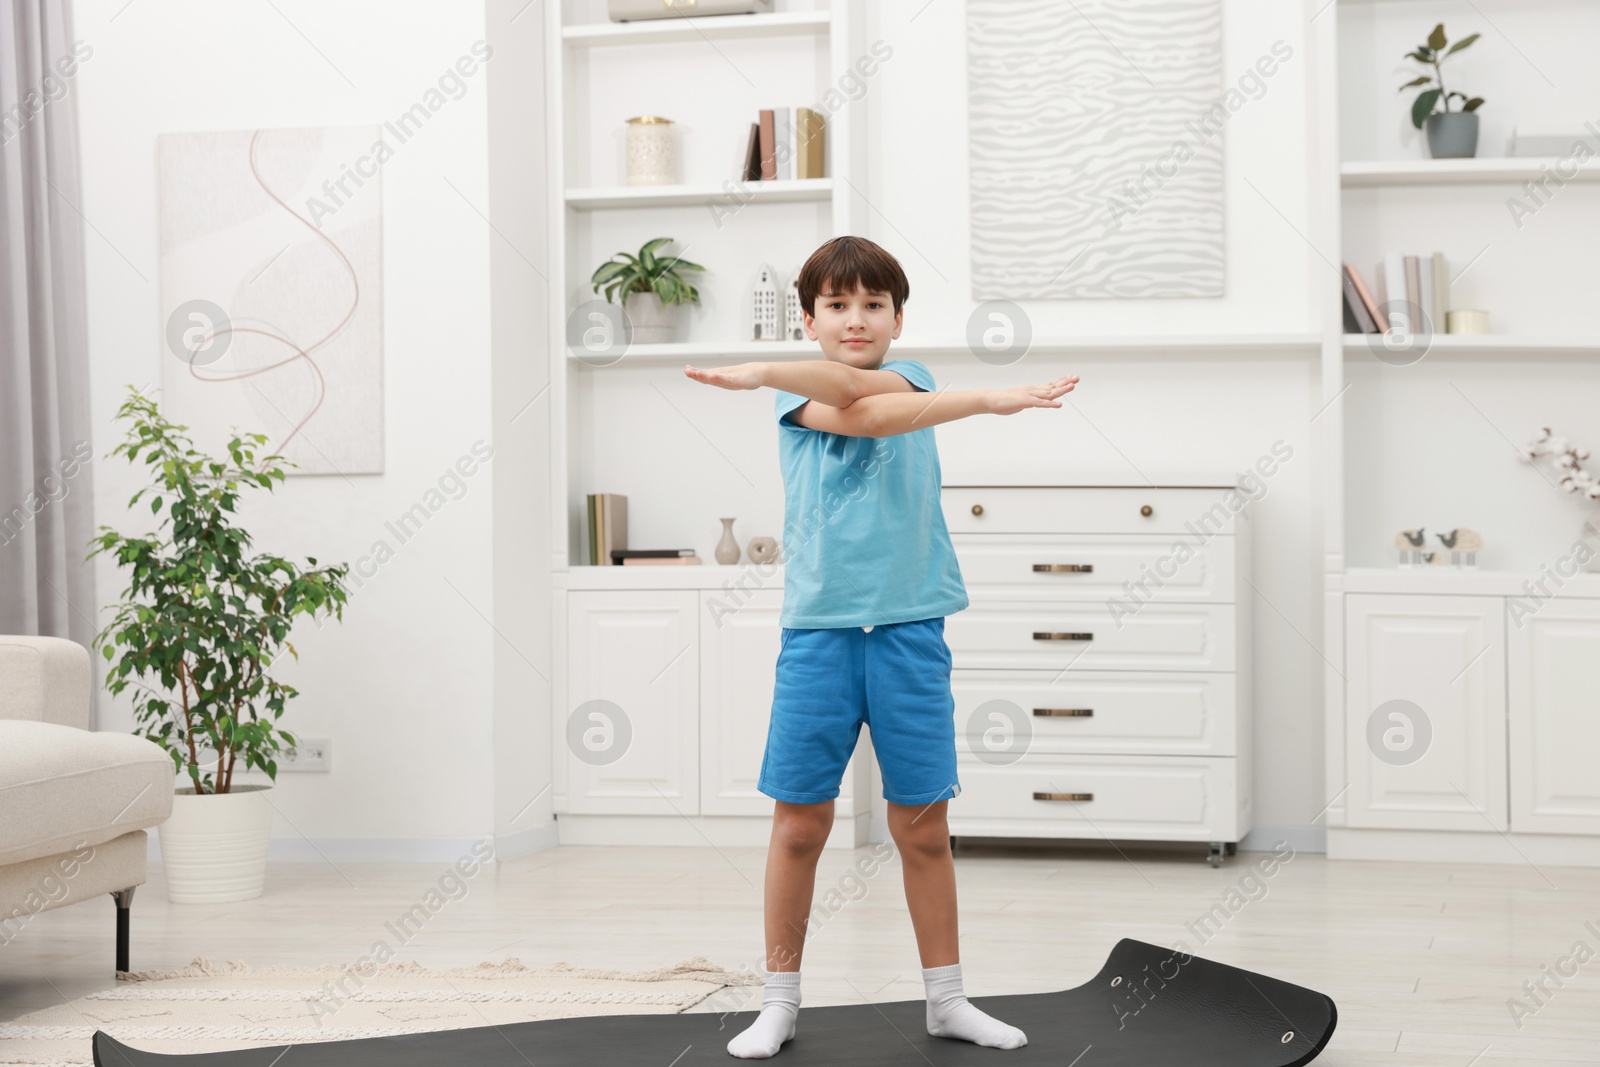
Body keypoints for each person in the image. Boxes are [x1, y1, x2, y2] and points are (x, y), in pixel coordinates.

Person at [684, 235, 1078, 1059]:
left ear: (899, 318)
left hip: (909, 630)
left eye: (873, 305)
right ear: (809, 317)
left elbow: (880, 408)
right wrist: (766, 375)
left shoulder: (921, 379)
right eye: (837, 305)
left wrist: (978, 398)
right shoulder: (790, 397)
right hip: (820, 635)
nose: (856, 319)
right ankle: (780, 1001)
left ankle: (947, 999)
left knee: (923, 826)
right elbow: (849, 408)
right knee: (799, 825)